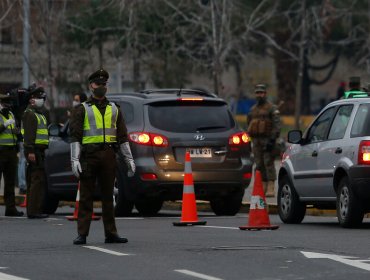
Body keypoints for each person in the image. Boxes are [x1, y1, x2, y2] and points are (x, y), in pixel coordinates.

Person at [69, 68, 135, 245]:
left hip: (108, 156)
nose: (102, 87)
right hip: (89, 157)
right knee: (86, 197)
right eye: (98, 84)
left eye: (104, 84)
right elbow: (75, 136)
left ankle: (111, 233)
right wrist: (74, 159)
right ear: (91, 86)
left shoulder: (114, 109)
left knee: (109, 197)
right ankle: (82, 233)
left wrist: (129, 159)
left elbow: (122, 136)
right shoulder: (82, 109)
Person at [247, 84, 281, 197]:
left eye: (261, 93)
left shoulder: (271, 108)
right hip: (256, 141)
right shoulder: (253, 110)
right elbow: (249, 123)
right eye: (257, 93)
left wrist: (272, 139)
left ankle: (271, 186)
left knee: (268, 163)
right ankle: (262, 186)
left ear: (265, 94)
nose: (259, 95)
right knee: (259, 164)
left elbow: (277, 125)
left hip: (268, 140)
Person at [22, 87, 49, 219]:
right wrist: (30, 151)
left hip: (40, 151)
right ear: (32, 99)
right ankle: (33, 211)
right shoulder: (30, 114)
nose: (41, 101)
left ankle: (36, 209)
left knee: (38, 181)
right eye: (39, 98)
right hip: (35, 151)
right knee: (36, 181)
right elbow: (29, 136)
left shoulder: (38, 114)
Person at [0, 93, 24, 216]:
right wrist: (4, 125)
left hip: (11, 151)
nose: (7, 106)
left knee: (10, 182)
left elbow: (14, 131)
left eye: (8, 103)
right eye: (5, 103)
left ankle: (10, 208)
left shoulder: (10, 114)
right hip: (0, 151)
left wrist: (17, 132)